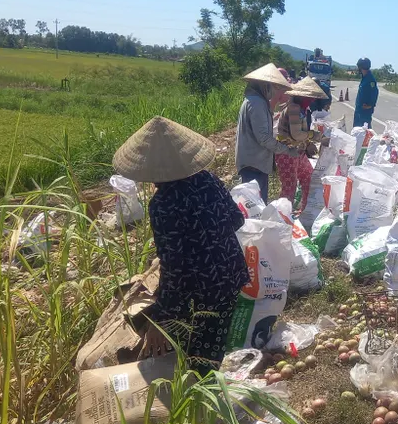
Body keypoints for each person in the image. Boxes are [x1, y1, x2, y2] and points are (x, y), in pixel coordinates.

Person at [113, 116, 250, 369]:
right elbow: (236, 219)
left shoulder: (163, 204)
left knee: (197, 358)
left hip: (202, 291)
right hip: (231, 274)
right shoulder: (208, 179)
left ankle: (200, 398)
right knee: (214, 344)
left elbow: (175, 270)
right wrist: (209, 238)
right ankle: (208, 388)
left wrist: (161, 318)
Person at [236, 62, 293, 202]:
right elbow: (264, 138)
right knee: (255, 205)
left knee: (253, 204)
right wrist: (286, 150)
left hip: (253, 161)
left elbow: (259, 127)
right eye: (274, 86)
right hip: (254, 163)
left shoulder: (255, 100)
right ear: (265, 85)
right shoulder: (257, 103)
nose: (275, 91)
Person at [275, 77, 327, 210]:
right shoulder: (294, 108)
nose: (312, 100)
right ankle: (283, 218)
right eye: (309, 97)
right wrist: (313, 135)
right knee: (289, 189)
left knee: (308, 178)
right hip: (287, 153)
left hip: (297, 152)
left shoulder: (302, 109)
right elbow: (296, 134)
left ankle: (305, 211)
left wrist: (309, 141)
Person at [354, 57, 378, 128]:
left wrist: (370, 105)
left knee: (365, 131)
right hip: (359, 110)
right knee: (357, 130)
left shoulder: (370, 79)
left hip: (365, 111)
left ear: (362, 67)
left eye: (359, 67)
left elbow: (375, 92)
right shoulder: (364, 78)